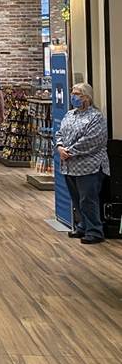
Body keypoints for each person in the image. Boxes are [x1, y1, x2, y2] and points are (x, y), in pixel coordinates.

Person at [56, 82, 109, 245]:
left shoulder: (96, 117)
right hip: (69, 165)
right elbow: (59, 132)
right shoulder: (70, 114)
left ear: (86, 97)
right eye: (72, 93)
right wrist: (59, 147)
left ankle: (95, 231)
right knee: (77, 199)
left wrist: (69, 151)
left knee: (88, 200)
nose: (73, 96)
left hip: (89, 166)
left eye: (77, 94)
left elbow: (92, 140)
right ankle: (83, 226)